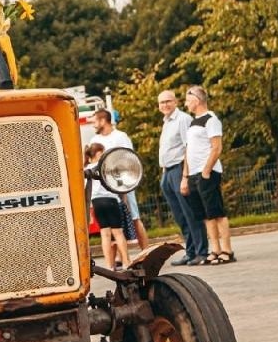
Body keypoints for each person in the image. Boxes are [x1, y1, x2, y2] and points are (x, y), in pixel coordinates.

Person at [180, 86, 235, 263]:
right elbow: (188, 150)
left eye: (188, 100)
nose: (186, 104)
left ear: (196, 100)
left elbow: (216, 147)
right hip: (193, 174)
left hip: (207, 173)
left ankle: (227, 250)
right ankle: (215, 250)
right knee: (205, 215)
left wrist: (206, 171)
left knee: (216, 212)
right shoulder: (192, 123)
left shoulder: (211, 120)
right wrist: (185, 176)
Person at [157, 89, 208, 265]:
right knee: (180, 216)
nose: (165, 105)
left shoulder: (182, 119)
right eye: (161, 102)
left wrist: (185, 176)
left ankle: (201, 251)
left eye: (168, 101)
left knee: (190, 212)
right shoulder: (166, 122)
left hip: (179, 170)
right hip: (167, 172)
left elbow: (189, 147)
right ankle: (190, 251)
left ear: (175, 102)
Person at [90, 108, 149, 250]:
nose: (93, 125)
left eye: (95, 121)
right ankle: (118, 258)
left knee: (134, 217)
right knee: (113, 225)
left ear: (103, 121)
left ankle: (146, 252)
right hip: (105, 187)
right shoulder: (94, 140)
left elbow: (131, 158)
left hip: (123, 183)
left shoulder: (121, 136)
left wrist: (127, 182)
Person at [84, 142, 131, 270]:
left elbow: (85, 190)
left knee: (105, 234)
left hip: (97, 202)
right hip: (111, 200)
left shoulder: (87, 169)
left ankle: (109, 265)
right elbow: (119, 184)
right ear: (99, 153)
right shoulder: (107, 166)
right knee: (118, 233)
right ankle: (126, 262)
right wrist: (124, 200)